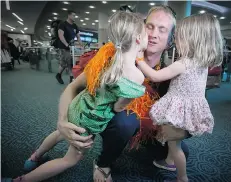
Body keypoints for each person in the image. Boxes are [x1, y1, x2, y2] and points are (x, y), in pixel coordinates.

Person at [7, 11, 148, 182]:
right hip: (89, 120)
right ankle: (21, 180)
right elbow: (118, 107)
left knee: (60, 133)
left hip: (78, 105)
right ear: (138, 39)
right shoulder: (137, 76)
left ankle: (34, 157)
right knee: (69, 160)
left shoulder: (106, 59)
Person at [57, 5, 190, 182]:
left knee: (180, 150)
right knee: (126, 122)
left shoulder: (168, 74)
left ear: (170, 40)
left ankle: (130, 141)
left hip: (146, 128)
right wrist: (62, 121)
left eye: (162, 29)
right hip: (109, 118)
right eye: (149, 26)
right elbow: (73, 87)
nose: (153, 34)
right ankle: (103, 163)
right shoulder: (114, 55)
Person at [136, 13, 223, 182]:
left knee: (175, 147)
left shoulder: (183, 63)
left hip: (177, 111)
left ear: (192, 40)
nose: (176, 41)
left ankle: (182, 177)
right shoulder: (202, 64)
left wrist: (139, 60)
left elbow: (154, 76)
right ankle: (169, 161)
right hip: (190, 112)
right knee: (173, 143)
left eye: (180, 38)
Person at [55, 10, 83, 84]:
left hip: (71, 47)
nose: (75, 17)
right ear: (69, 15)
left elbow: (78, 37)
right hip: (63, 46)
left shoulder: (74, 26)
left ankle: (60, 75)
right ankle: (70, 78)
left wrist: (81, 44)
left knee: (68, 63)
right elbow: (60, 35)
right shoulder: (63, 24)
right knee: (68, 62)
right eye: (73, 15)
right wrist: (66, 44)